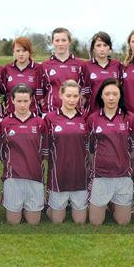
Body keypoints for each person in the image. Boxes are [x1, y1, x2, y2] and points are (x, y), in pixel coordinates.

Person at [86, 78, 134, 226]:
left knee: (123, 222)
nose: (111, 97)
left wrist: (127, 163)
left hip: (122, 176)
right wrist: (93, 167)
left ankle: (115, 204)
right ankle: (104, 204)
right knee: (95, 222)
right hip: (101, 176)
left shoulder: (130, 118)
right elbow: (89, 148)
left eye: (115, 94)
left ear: (120, 95)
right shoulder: (93, 119)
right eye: (107, 93)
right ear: (101, 95)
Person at [0, 84, 47, 225]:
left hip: (34, 177)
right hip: (13, 178)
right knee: (13, 222)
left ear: (31, 100)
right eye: (19, 101)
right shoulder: (5, 123)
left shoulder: (39, 123)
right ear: (12, 100)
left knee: (33, 222)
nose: (22, 105)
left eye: (25, 101)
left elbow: (43, 152)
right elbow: (1, 153)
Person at [44, 80, 89, 224]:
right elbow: (45, 149)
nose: (72, 100)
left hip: (79, 176)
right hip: (58, 176)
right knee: (57, 221)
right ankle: (49, 204)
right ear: (60, 95)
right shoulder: (50, 118)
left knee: (80, 221)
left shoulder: (85, 118)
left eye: (75, 96)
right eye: (68, 95)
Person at [41, 28, 85, 113]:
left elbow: (85, 92)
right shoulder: (45, 66)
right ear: (52, 42)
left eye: (64, 40)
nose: (60, 44)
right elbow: (40, 94)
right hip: (51, 112)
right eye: (57, 40)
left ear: (69, 41)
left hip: (75, 114)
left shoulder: (81, 65)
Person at [83, 32, 123, 115]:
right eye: (98, 45)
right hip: (92, 113)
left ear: (109, 48)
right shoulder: (86, 66)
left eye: (105, 45)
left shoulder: (117, 65)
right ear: (93, 48)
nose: (102, 49)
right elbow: (84, 94)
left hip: (113, 114)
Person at [2, 37, 43, 116]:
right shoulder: (7, 68)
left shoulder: (38, 68)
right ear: (13, 51)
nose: (21, 54)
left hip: (33, 116)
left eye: (24, 50)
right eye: (17, 51)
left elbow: (41, 95)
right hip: (11, 115)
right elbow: (3, 93)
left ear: (30, 51)